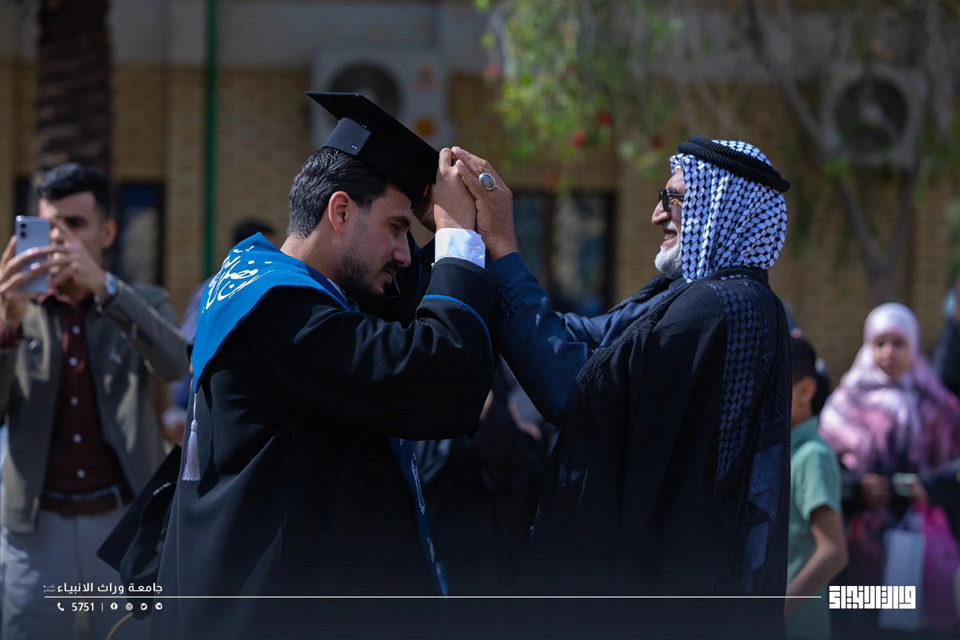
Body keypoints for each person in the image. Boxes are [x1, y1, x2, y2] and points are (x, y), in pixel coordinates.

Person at [150, 93, 499, 640]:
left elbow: (386, 316)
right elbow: (436, 375)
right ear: (340, 212)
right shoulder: (280, 313)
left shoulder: (265, 287)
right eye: (397, 227)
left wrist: (440, 234)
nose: (405, 252)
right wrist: (456, 239)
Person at [453, 136, 794, 639]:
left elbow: (574, 388)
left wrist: (502, 244)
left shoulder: (720, 309)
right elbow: (578, 338)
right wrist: (462, 247)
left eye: (674, 198)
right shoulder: (695, 299)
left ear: (727, 209)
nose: (657, 215)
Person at [0, 163, 189, 640]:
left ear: (107, 233)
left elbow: (175, 364)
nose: (58, 239)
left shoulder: (140, 300)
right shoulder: (15, 309)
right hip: (36, 526)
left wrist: (106, 288)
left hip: (122, 522)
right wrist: (8, 323)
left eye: (75, 224)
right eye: (48, 225)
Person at [819, 302, 960, 634]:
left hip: (923, 543)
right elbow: (824, 466)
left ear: (913, 346)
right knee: (859, 623)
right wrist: (858, 487)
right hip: (858, 545)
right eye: (879, 343)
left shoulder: (938, 404)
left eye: (899, 343)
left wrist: (930, 487)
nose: (889, 352)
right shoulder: (844, 402)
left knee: (914, 623)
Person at [785, 336, 847, 640]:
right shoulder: (784, 451)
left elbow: (833, 553)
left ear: (805, 391)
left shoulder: (812, 456)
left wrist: (775, 608)